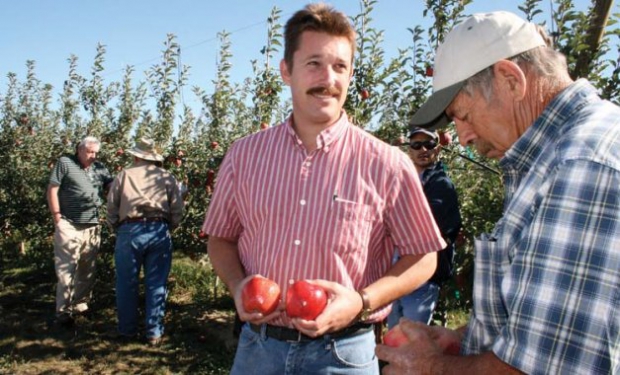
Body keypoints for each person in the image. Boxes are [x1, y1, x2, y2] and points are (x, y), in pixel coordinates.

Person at [201, 3, 446, 374]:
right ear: (286, 70)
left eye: (340, 67)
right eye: (314, 63)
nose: (328, 78)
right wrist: (237, 286)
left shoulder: (386, 163)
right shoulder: (244, 155)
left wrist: (363, 300)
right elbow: (220, 238)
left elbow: (424, 256)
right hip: (258, 349)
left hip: (345, 354)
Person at [376, 11, 620, 375]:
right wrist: (465, 340)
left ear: (510, 79)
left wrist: (431, 367)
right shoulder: (550, 159)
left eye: (464, 115)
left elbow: (541, 367)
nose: (462, 137)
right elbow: (546, 328)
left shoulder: (579, 166)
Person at [106, 138, 183, 346]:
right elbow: (177, 208)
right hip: (159, 229)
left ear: (136, 156)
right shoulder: (167, 176)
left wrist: (117, 227)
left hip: (130, 229)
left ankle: (127, 330)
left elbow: (111, 206)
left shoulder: (125, 175)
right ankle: (154, 333)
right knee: (156, 283)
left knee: (126, 283)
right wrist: (169, 226)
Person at [387, 127, 462, 328]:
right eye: (416, 145)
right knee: (394, 332)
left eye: (429, 144)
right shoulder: (400, 180)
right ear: (409, 149)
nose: (423, 149)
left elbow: (435, 226)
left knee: (412, 335)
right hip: (394, 271)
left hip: (423, 274)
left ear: (437, 148)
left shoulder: (441, 184)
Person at [46, 136, 113, 326]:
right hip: (69, 223)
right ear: (80, 150)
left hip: (91, 225)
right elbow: (52, 189)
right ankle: (63, 313)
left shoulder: (99, 168)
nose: (93, 156)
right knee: (66, 269)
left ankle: (80, 307)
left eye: (96, 153)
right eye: (90, 152)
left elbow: (112, 189)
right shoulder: (65, 163)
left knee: (87, 269)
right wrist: (57, 216)